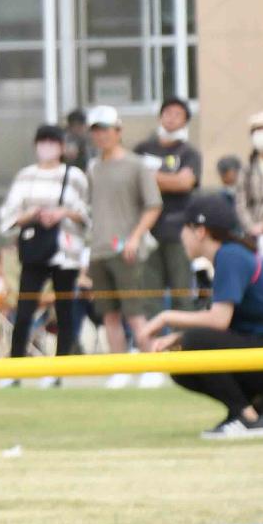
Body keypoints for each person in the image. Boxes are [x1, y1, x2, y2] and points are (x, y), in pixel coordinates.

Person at [138, 193, 263, 439]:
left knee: (193, 343)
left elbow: (219, 321)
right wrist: (177, 336)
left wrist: (165, 318)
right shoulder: (231, 254)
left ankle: (247, 419)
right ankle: (262, 404)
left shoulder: (230, 255)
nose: (180, 237)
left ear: (200, 231)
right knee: (181, 360)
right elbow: (223, 324)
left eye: (183, 229)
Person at [0, 124, 92, 371]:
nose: (47, 148)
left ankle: (63, 365)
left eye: (52, 142)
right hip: (36, 248)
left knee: (65, 308)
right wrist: (33, 215)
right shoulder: (26, 175)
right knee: (26, 305)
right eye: (42, 142)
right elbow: (10, 213)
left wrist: (62, 213)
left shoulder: (75, 176)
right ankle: (16, 363)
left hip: (66, 250)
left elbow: (86, 213)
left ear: (61, 147)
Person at [84, 106, 164, 384]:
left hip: (128, 250)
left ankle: (152, 367)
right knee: (109, 314)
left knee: (135, 313)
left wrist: (135, 237)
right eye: (96, 130)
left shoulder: (136, 165)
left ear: (118, 131)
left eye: (106, 129)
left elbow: (153, 205)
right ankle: (120, 368)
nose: (101, 135)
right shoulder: (93, 168)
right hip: (99, 249)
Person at [133, 97, 203, 315]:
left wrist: (150, 177)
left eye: (177, 114)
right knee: (148, 296)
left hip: (178, 230)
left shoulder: (189, 153)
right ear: (160, 116)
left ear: (185, 121)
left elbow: (184, 182)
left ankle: (183, 344)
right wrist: (166, 179)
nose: (171, 118)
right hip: (146, 232)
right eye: (167, 112)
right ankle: (152, 346)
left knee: (181, 293)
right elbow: (132, 181)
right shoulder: (142, 148)